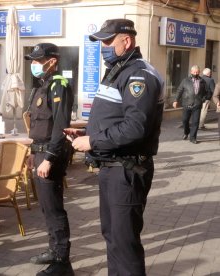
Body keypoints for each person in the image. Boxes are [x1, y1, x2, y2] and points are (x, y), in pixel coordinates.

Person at [64, 19, 164, 275]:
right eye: (101, 42)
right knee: (112, 235)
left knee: (124, 241)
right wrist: (87, 132)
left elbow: (135, 127)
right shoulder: (119, 70)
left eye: (108, 41)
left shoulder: (139, 74)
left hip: (127, 169)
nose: (103, 47)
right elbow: (116, 118)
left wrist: (93, 141)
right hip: (111, 167)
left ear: (127, 41)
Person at [25, 43, 74, 276]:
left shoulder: (59, 85)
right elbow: (38, 125)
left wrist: (49, 158)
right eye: (33, 60)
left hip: (50, 155)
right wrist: (32, 153)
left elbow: (60, 127)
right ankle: (54, 250)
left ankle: (62, 261)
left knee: (54, 208)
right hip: (40, 152)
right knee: (46, 207)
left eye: (38, 60)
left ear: (52, 61)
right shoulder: (42, 86)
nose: (34, 64)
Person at [173, 65, 208, 144]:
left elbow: (206, 92)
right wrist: (175, 100)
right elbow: (179, 90)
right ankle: (186, 132)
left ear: (199, 72)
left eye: (197, 72)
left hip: (197, 105)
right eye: (194, 72)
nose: (196, 73)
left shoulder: (202, 81)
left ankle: (193, 137)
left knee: (195, 122)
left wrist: (203, 99)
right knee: (185, 120)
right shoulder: (185, 80)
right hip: (187, 104)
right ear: (191, 72)